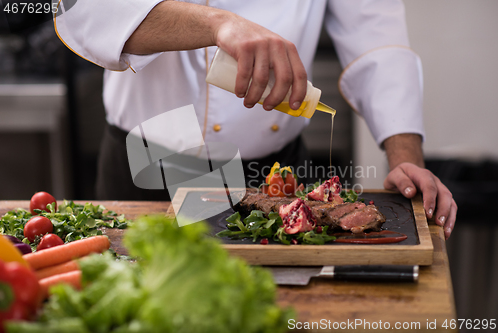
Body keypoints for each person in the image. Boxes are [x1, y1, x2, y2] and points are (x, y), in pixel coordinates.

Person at [55, 0, 456, 238]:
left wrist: (405, 157)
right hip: (150, 169)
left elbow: (377, 36)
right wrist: (218, 23)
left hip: (276, 177)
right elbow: (91, 10)